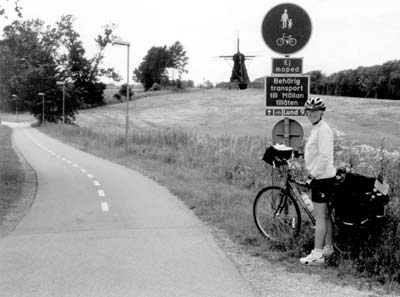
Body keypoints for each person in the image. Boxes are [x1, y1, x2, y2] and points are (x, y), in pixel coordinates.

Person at [300, 96, 337, 265]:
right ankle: (328, 248)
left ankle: (317, 254)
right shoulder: (317, 128)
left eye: (315, 111)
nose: (312, 114)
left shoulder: (323, 130)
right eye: (309, 111)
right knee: (326, 215)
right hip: (324, 176)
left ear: (321, 112)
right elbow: (316, 153)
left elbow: (324, 157)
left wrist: (312, 175)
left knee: (320, 216)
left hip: (321, 178)